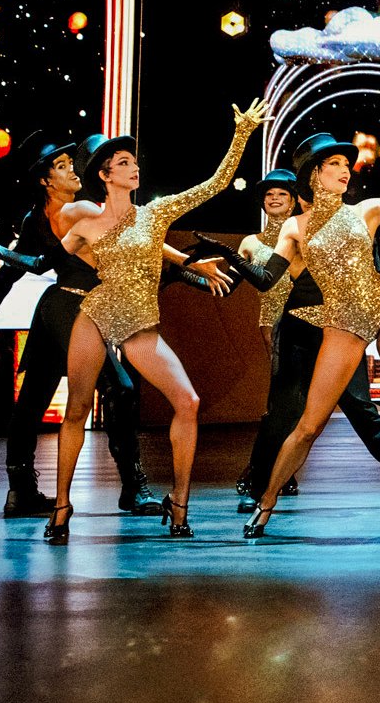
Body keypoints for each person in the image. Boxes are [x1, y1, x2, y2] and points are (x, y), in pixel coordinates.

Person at [47, 104, 266, 542]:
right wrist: (1, 255)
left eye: (134, 162)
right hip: (95, 314)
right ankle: (61, 507)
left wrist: (241, 133)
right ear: (105, 176)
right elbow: (47, 260)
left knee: (188, 401)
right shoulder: (86, 225)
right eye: (123, 163)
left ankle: (179, 503)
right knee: (75, 410)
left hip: (139, 323)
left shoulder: (155, 213)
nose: (134, 168)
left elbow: (216, 184)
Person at [235, 131, 380, 540]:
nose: (345, 170)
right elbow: (266, 279)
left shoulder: (365, 210)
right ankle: (266, 503)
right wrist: (233, 260)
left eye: (347, 165)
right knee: (309, 425)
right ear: (313, 174)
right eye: (335, 165)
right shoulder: (294, 228)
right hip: (342, 321)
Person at [0, 133, 151, 518]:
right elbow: (13, 270)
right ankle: (25, 490)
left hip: (79, 308)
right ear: (45, 181)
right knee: (46, 399)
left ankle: (131, 486)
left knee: (112, 392)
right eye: (62, 167)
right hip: (62, 310)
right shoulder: (37, 220)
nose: (73, 170)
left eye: (72, 164)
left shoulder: (92, 209)